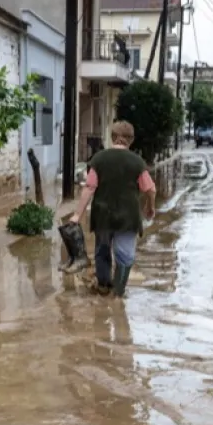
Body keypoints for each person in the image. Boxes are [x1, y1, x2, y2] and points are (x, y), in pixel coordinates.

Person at [65, 121, 156, 296]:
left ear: (112, 136)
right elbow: (150, 189)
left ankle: (104, 287)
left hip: (103, 216)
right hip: (128, 218)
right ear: (131, 140)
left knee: (102, 251)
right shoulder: (137, 162)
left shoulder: (98, 159)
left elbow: (89, 187)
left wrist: (77, 215)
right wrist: (149, 206)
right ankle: (118, 293)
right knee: (125, 256)